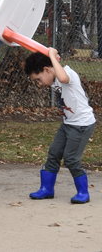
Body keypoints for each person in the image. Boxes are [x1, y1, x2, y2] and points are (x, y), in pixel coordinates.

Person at [25, 48, 96, 203]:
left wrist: (52, 56)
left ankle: (83, 193)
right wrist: (50, 58)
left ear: (47, 70)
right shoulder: (51, 75)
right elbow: (47, 65)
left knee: (71, 158)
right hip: (68, 123)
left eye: (38, 79)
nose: (39, 84)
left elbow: (63, 77)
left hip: (82, 124)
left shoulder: (68, 74)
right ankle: (46, 189)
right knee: (54, 153)